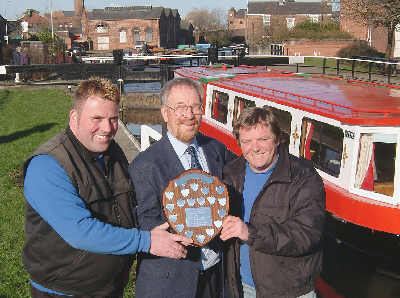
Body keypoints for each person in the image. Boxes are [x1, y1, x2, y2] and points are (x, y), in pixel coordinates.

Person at [23, 77, 192, 298]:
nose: (107, 128)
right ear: (74, 117)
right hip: (65, 290)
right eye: (97, 118)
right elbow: (80, 231)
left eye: (113, 119)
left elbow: (130, 203)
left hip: (109, 287)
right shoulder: (48, 165)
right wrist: (147, 241)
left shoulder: (112, 151)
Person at [128, 77, 235, 298]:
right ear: (165, 113)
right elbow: (143, 219)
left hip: (215, 276)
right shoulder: (144, 165)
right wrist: (181, 228)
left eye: (195, 107)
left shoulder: (216, 149)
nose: (189, 114)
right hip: (171, 279)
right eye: (180, 107)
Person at [221, 107, 325, 298]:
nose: (255, 148)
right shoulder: (231, 173)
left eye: (263, 139)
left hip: (288, 291)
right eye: (247, 141)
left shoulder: (303, 176)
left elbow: (306, 235)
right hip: (241, 286)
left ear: (277, 139)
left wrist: (249, 232)